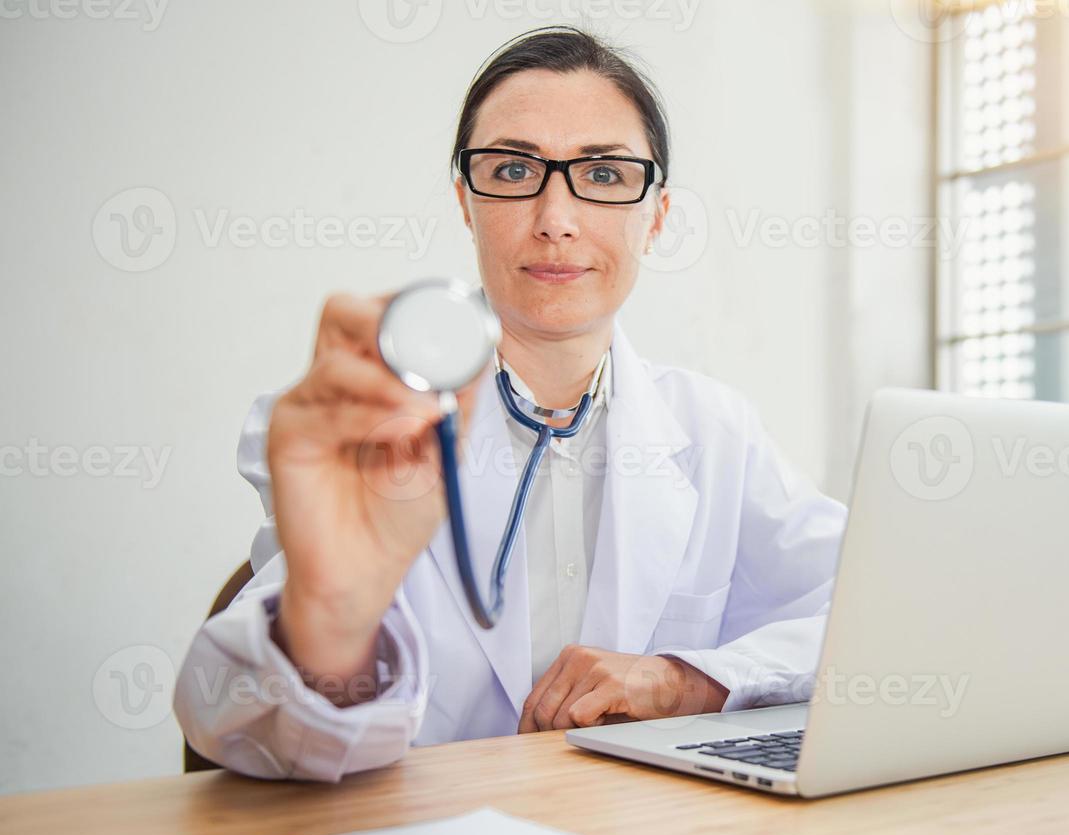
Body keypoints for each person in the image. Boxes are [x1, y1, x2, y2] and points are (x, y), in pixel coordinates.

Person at [173, 26, 847, 781]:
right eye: (513, 168)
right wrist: (330, 621)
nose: (556, 218)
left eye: (602, 173)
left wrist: (683, 677)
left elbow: (875, 620)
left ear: (654, 214)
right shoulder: (373, 430)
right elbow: (229, 724)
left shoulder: (713, 430)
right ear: (466, 202)